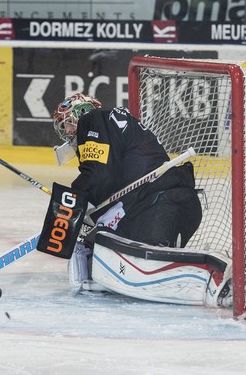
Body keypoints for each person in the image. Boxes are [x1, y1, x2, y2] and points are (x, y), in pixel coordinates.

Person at [50, 93, 202, 290]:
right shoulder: (111, 125)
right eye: (64, 127)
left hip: (162, 204)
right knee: (95, 246)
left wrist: (73, 201)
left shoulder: (93, 119)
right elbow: (110, 177)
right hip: (158, 204)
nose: (68, 130)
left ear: (83, 113)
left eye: (69, 123)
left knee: (149, 265)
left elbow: (98, 175)